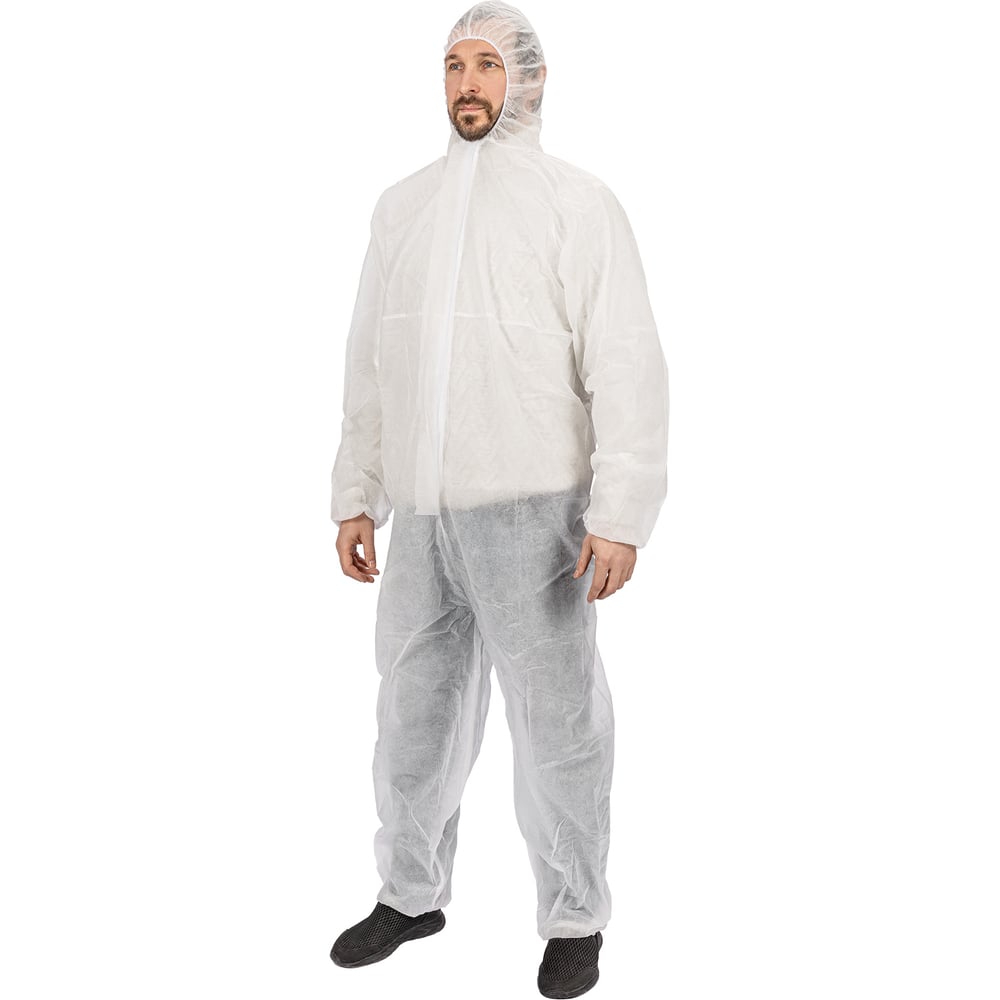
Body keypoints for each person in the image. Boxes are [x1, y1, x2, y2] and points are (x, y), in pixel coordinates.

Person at [327, 4, 669, 996]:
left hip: (536, 516)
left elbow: (625, 360)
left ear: (530, 78)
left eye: (486, 64)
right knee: (412, 716)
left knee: (557, 724)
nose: (468, 83)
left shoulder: (576, 205)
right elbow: (370, 361)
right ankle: (410, 891)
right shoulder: (402, 207)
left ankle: (575, 915)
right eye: (453, 66)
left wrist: (619, 513)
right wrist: (358, 493)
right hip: (425, 518)